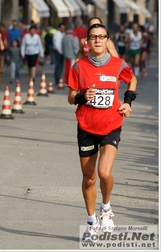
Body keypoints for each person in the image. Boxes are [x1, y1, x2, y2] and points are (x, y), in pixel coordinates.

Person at [67, 23, 137, 239]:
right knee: (89, 178)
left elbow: (131, 79)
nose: (97, 40)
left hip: (111, 125)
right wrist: (82, 96)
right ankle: (91, 222)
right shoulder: (78, 67)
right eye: (93, 37)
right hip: (87, 127)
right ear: (87, 42)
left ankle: (106, 208)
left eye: (101, 37)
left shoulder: (118, 64)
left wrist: (127, 102)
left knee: (104, 173)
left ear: (108, 40)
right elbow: (70, 97)